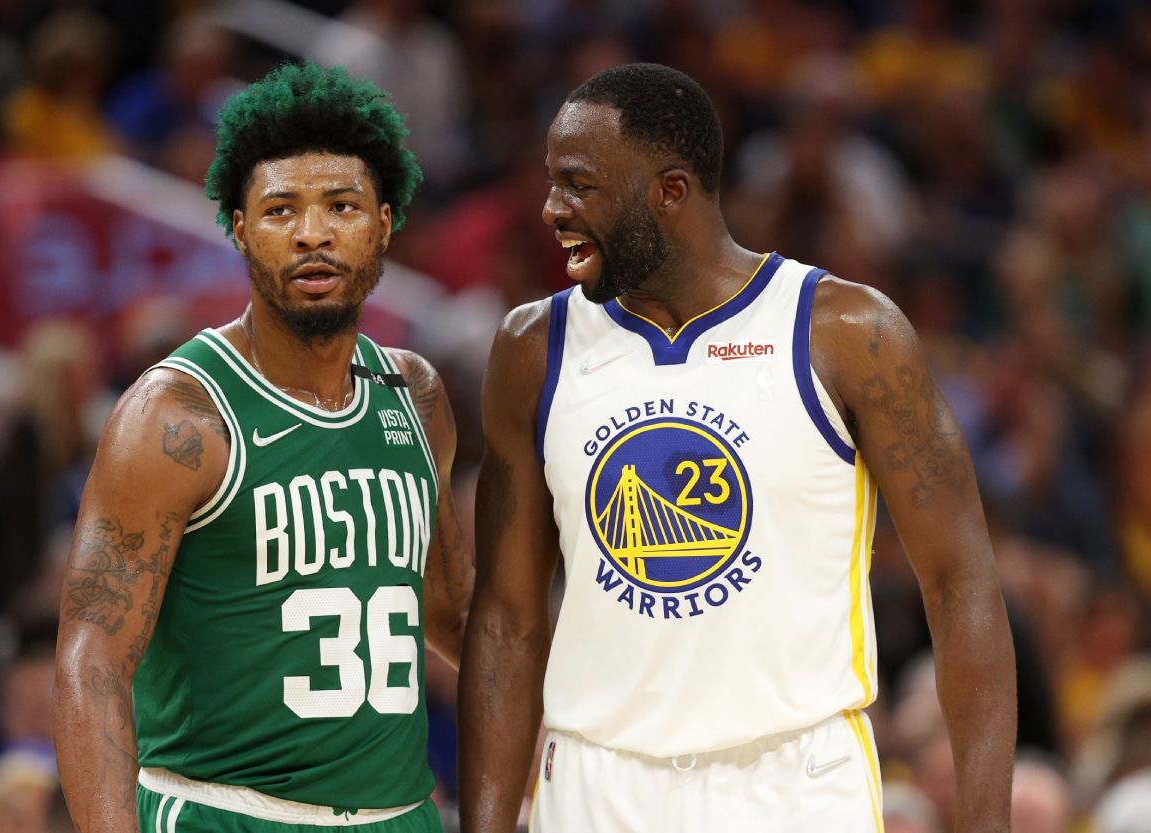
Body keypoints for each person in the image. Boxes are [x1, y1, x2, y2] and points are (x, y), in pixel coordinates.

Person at [459, 63, 1016, 832]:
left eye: (578, 184)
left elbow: (963, 585)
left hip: (796, 781)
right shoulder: (532, 347)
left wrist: (987, 823)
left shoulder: (848, 332)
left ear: (671, 192)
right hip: (595, 781)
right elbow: (507, 621)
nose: (551, 209)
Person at [53, 61, 472, 833]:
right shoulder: (177, 415)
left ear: (383, 223)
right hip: (228, 812)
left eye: (340, 206)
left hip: (400, 813)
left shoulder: (415, 396)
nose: (312, 232)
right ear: (240, 229)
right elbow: (93, 661)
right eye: (281, 209)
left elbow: (452, 612)